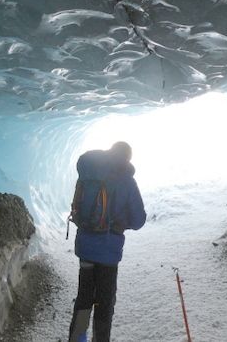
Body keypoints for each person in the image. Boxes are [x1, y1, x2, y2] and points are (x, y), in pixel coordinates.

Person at [68, 141, 147, 342]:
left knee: (84, 298)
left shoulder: (88, 173)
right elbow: (139, 220)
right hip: (109, 253)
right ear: (127, 158)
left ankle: (77, 339)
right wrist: (122, 223)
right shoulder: (126, 180)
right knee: (104, 303)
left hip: (85, 248)